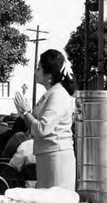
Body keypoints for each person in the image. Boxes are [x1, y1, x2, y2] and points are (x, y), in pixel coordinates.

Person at [14, 49, 76, 191]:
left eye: (38, 68)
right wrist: (25, 114)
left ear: (49, 75)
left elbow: (42, 128)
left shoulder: (58, 95)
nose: (35, 71)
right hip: (47, 155)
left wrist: (25, 112)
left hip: (56, 157)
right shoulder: (50, 94)